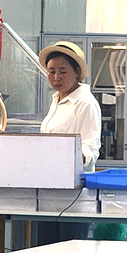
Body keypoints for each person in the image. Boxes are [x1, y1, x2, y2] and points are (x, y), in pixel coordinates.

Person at [38, 40, 101, 171]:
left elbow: (90, 152)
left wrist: (68, 155)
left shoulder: (86, 103)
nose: (56, 77)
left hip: (72, 179)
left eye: (63, 72)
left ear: (77, 72)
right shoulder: (57, 99)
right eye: (51, 71)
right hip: (50, 173)